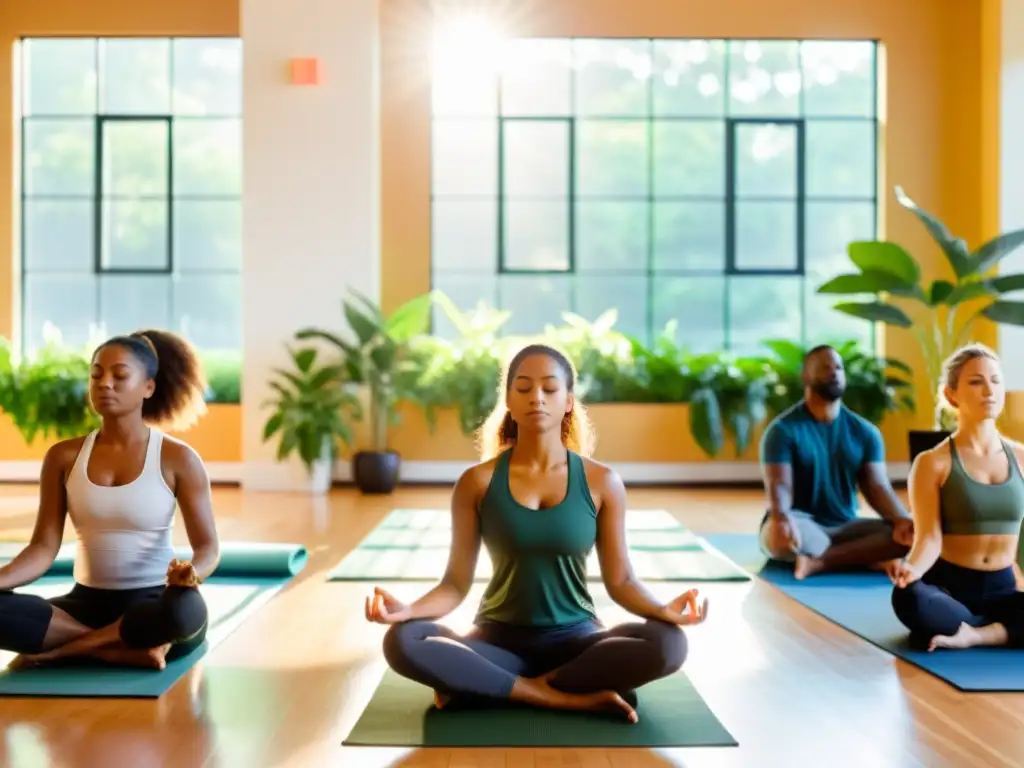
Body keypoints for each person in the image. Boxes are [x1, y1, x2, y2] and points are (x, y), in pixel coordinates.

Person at [364, 343, 706, 723]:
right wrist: (408, 610)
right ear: (508, 400)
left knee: (669, 643)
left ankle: (492, 686)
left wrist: (662, 610)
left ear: (569, 401)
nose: (536, 398)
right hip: (497, 640)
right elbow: (455, 584)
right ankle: (556, 695)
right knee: (403, 640)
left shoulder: (602, 482)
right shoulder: (476, 482)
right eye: (523, 388)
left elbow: (622, 579)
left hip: (577, 643)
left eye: (549, 388)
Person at [0, 329, 219, 670]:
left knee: (182, 611)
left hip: (154, 602)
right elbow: (42, 549)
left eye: (119, 375)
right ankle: (114, 646)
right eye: (96, 374)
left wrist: (191, 574)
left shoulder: (179, 459)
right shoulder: (63, 457)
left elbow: (209, 548)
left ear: (149, 387)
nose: (104, 383)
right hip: (84, 602)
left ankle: (64, 650)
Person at [890, 344, 1024, 651]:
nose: (989, 390)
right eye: (976, 382)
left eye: (995, 380)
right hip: (950, 589)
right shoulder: (933, 462)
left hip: (1003, 589)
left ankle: (977, 634)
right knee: (908, 596)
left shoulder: (1022, 458)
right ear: (952, 395)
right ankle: (1001, 631)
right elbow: (929, 538)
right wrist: (912, 569)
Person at [759, 344, 913, 579]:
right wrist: (780, 518)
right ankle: (866, 558)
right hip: (802, 524)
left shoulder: (865, 432)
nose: (834, 372)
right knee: (777, 539)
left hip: (847, 526)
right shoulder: (782, 430)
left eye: (839, 367)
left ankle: (820, 562)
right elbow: (779, 485)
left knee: (913, 534)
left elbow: (877, 486)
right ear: (806, 376)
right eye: (824, 367)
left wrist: (903, 520)